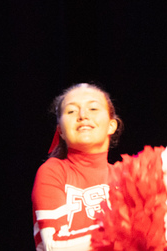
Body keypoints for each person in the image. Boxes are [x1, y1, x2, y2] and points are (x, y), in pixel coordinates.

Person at [31, 83, 122, 251]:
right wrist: (123, 230)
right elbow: (55, 245)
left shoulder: (125, 177)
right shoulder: (52, 171)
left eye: (93, 109)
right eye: (71, 111)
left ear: (111, 125)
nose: (82, 115)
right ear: (61, 132)